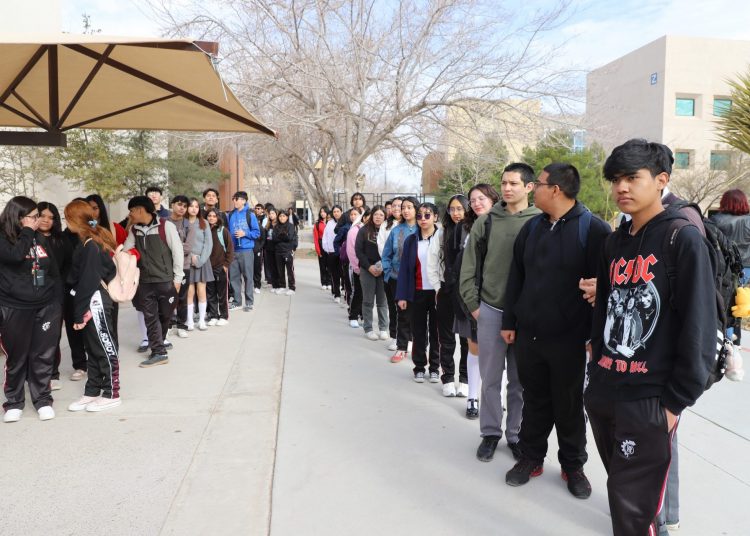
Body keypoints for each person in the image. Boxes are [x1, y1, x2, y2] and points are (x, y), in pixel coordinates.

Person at [586, 139, 717, 535]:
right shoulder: (614, 242)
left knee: (634, 511)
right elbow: (603, 311)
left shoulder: (682, 237)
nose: (621, 187)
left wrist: (675, 403)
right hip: (606, 388)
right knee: (621, 495)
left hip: (650, 398)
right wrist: (595, 374)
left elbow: (699, 325)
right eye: (616, 179)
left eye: (632, 177)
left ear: (661, 180)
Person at [502, 163, 610, 499]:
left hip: (569, 338)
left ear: (556, 190)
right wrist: (509, 321)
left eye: (538, 183)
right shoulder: (532, 228)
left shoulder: (593, 230)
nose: (533, 188)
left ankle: (573, 465)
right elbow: (516, 276)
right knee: (534, 399)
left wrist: (594, 336)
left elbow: (603, 289)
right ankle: (531, 457)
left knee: (568, 404)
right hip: (529, 334)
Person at [458, 166, 540, 461]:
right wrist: (475, 307)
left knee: (519, 382)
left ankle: (515, 434)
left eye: (514, 183)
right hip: (490, 310)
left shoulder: (540, 221)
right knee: (490, 379)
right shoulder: (487, 221)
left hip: (526, 316)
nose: (507, 188)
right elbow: (468, 267)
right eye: (504, 183)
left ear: (529, 187)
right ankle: (490, 433)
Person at [0, 197, 61, 422]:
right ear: (19, 217)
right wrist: (27, 231)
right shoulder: (4, 237)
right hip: (14, 306)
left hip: (46, 306)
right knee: (17, 357)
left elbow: (53, 271)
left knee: (43, 355)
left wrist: (57, 303)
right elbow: (16, 256)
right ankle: (14, 402)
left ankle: (43, 400)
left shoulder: (39, 238)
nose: (38, 220)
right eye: (34, 216)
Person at [63, 200, 122, 412]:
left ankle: (112, 392)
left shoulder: (91, 245)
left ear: (75, 220)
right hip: (92, 300)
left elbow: (88, 281)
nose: (65, 222)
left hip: (95, 301)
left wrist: (79, 314)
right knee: (92, 348)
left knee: (103, 347)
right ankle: (92, 390)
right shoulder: (89, 241)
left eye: (67, 218)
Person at [123, 196, 184, 368]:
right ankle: (158, 352)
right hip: (145, 282)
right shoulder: (134, 230)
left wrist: (178, 279)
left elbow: (177, 252)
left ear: (140, 209)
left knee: (165, 316)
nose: (130, 214)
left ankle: (159, 344)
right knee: (150, 317)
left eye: (132, 210)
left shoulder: (166, 226)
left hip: (165, 281)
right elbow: (126, 251)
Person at [456, 184, 500, 418]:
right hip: (471, 297)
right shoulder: (464, 228)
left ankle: (495, 398)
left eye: (481, 198)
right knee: (475, 348)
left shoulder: (504, 223)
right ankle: (472, 397)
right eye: (472, 200)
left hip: (499, 299)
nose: (476, 203)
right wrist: (470, 302)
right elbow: (456, 265)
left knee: (500, 352)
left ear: (493, 199)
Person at [396, 202, 440, 382]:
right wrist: (402, 296)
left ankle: (435, 368)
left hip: (437, 293)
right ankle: (419, 367)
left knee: (436, 332)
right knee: (418, 331)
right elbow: (405, 270)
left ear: (435, 217)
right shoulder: (411, 240)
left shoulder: (442, 238)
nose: (423, 219)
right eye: (420, 215)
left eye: (427, 215)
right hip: (417, 292)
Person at [37, 202, 73, 392]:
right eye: (42, 216)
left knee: (52, 334)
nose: (46, 220)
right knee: (33, 336)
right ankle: (34, 372)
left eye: (51, 217)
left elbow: (69, 266)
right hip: (30, 295)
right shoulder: (26, 238)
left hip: (55, 293)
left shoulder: (61, 239)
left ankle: (52, 374)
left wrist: (60, 285)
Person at [711, 188, 750, 345]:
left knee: (725, 303)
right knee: (740, 303)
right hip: (746, 268)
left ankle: (726, 340)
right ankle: (736, 341)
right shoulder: (749, 221)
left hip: (724, 267)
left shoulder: (716, 220)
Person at [382, 196, 419, 363]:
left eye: (409, 207)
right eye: (403, 207)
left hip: (419, 280)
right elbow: (387, 254)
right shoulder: (396, 230)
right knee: (402, 314)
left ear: (416, 209)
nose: (405, 210)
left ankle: (419, 347)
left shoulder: (423, 228)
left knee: (419, 315)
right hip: (398, 278)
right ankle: (401, 347)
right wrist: (388, 272)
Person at [356, 205, 389, 340]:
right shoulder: (363, 230)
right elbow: (359, 251)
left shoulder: (388, 230)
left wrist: (383, 267)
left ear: (385, 217)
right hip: (367, 269)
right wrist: (369, 267)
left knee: (382, 301)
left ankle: (383, 328)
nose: (378, 217)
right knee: (368, 300)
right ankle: (368, 328)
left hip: (383, 270)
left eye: (381, 215)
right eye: (376, 214)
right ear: (371, 216)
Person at [227, 191, 261, 312]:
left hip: (246, 250)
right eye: (234, 199)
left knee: (248, 277)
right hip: (233, 251)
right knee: (234, 277)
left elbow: (257, 233)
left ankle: (249, 302)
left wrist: (244, 233)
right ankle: (237, 302)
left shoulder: (250, 215)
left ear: (244, 201)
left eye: (237, 199)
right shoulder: (230, 215)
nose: (235, 201)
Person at [185, 198, 214, 330]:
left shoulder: (204, 223)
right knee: (189, 292)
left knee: (201, 291)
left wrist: (200, 260)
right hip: (187, 261)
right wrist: (190, 257)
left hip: (202, 261)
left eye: (196, 206)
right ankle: (189, 320)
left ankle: (202, 320)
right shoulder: (183, 223)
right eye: (191, 206)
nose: (194, 209)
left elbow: (208, 244)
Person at [378, 197, 402, 350]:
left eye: (400, 206)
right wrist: (388, 268)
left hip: (406, 274)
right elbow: (382, 246)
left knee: (406, 308)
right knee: (392, 306)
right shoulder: (385, 225)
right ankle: (395, 336)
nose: (397, 208)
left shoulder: (411, 225)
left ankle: (408, 337)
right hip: (390, 272)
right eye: (394, 206)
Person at [205, 208, 234, 326]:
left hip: (221, 267)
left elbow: (230, 249)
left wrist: (226, 265)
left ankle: (224, 316)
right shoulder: (204, 230)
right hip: (208, 267)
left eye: (214, 216)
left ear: (218, 217)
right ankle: (213, 315)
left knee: (222, 293)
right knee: (210, 293)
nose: (211, 218)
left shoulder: (223, 231)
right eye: (209, 216)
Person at [346, 207, 369, 327]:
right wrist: (357, 267)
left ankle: (364, 315)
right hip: (359, 267)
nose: (353, 216)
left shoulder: (370, 229)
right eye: (352, 214)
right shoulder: (354, 230)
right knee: (358, 292)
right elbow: (351, 251)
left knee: (367, 294)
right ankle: (353, 316)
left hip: (370, 267)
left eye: (356, 214)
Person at [272, 210, 298, 295]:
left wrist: (280, 237)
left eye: (283, 216)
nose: (282, 218)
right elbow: (274, 238)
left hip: (287, 251)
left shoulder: (291, 226)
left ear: (287, 217)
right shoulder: (276, 226)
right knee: (280, 270)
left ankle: (292, 287)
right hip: (278, 251)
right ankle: (282, 286)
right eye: (280, 216)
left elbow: (289, 238)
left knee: (290, 270)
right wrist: (283, 236)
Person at [322, 205, 343, 303]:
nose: (336, 213)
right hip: (332, 252)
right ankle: (336, 293)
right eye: (334, 212)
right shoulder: (330, 223)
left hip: (343, 253)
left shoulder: (345, 222)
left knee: (343, 274)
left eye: (338, 211)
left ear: (341, 212)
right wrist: (327, 249)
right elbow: (325, 237)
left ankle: (344, 290)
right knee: (334, 274)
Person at [313, 207, 332, 290]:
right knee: (322, 265)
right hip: (321, 245)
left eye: (324, 212)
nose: (322, 213)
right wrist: (318, 250)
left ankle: (329, 282)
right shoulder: (317, 224)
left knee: (330, 265)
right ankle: (323, 282)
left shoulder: (331, 222)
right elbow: (315, 238)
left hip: (330, 245)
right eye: (321, 212)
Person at [263, 208, 280, 292]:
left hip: (277, 249)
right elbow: (265, 237)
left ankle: (279, 285)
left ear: (276, 214)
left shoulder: (279, 225)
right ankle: (274, 285)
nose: (271, 215)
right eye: (270, 214)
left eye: (273, 213)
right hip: (269, 249)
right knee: (271, 267)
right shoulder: (268, 225)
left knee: (278, 267)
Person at [252, 204, 266, 294]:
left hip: (257, 250)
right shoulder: (247, 227)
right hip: (248, 250)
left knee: (257, 268)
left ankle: (257, 285)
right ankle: (250, 285)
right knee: (248, 269)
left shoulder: (259, 226)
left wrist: (259, 248)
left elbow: (263, 239)